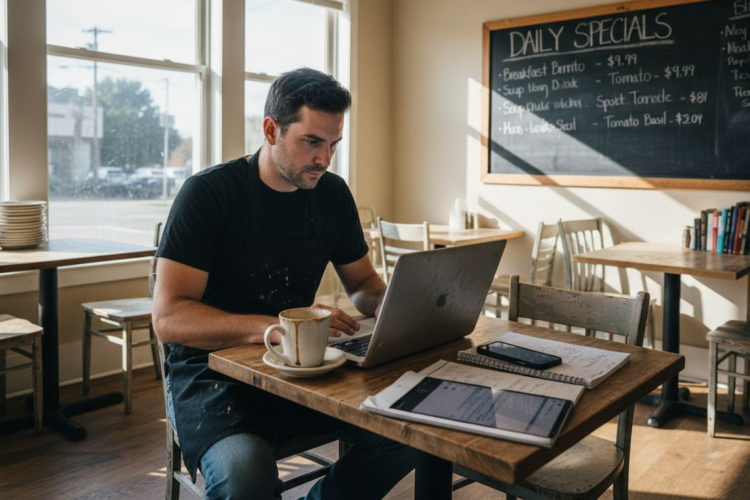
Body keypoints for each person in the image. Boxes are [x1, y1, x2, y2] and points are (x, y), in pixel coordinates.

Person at [152, 67, 415, 500]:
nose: (325, 159)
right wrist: (278, 327)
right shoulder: (208, 194)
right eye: (312, 142)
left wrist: (394, 306)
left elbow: (364, 283)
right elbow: (170, 318)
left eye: (333, 144)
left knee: (408, 432)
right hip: (211, 378)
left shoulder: (332, 194)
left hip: (304, 371)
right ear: (272, 130)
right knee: (245, 479)